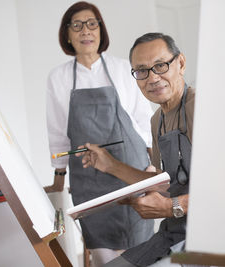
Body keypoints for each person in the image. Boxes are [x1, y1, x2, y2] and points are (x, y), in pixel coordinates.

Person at [45, 2, 155, 266]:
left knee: (143, 253)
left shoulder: (121, 68)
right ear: (68, 34)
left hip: (131, 174)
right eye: (78, 25)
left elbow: (142, 118)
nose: (86, 31)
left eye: (92, 23)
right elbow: (58, 132)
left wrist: (154, 165)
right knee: (105, 257)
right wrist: (59, 180)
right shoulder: (58, 77)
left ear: (101, 30)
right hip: (88, 180)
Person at [77, 32, 195, 267]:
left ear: (180, 63)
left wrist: (171, 207)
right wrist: (110, 165)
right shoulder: (157, 120)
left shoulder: (200, 107)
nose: (152, 78)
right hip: (171, 234)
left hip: (207, 237)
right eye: (141, 71)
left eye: (160, 66)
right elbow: (165, 184)